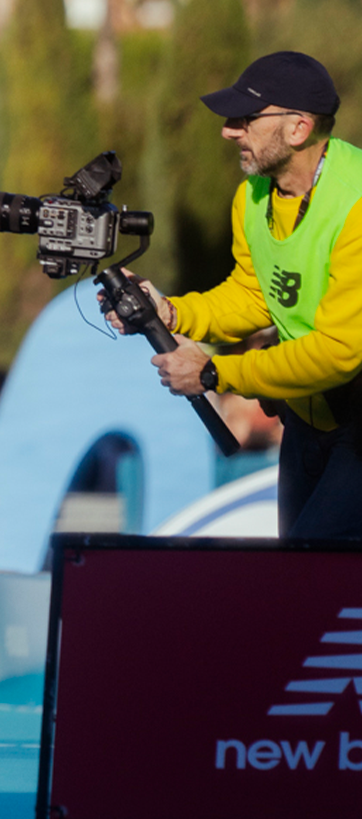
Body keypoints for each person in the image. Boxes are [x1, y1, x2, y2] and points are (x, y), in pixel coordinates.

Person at [106, 51, 362, 539]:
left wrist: (213, 372)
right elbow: (254, 294)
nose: (228, 131)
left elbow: (339, 352)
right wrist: (171, 311)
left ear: (299, 128)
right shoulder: (252, 196)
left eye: (246, 119)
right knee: (297, 576)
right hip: (306, 423)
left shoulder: (357, 203)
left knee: (318, 574)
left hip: (356, 422)